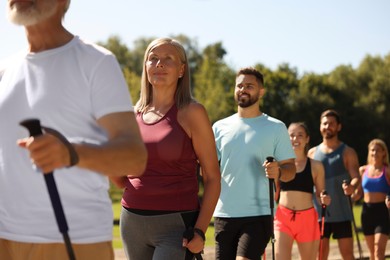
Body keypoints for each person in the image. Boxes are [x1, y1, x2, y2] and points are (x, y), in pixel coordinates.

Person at [0, 1, 147, 260]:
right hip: (5, 239)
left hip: (74, 241)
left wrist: (71, 152)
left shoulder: (96, 61)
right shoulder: (5, 71)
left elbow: (135, 157)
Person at [110, 37, 221, 260]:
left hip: (176, 227)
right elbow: (120, 177)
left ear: (181, 70)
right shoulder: (131, 115)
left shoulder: (192, 113)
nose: (159, 64)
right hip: (132, 223)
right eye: (153, 59)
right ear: (146, 68)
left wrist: (199, 230)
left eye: (168, 59)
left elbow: (212, 177)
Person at [212, 67, 296, 260]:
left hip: (258, 214)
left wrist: (279, 171)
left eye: (249, 86)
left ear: (261, 92)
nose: (243, 89)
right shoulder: (219, 127)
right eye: (239, 85)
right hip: (224, 213)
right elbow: (208, 171)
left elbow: (290, 169)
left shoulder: (276, 127)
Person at [308, 109, 360, 260]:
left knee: (348, 255)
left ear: (338, 127)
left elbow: (356, 177)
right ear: (320, 127)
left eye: (331, 124)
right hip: (319, 214)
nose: (327, 126)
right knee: (320, 255)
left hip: (342, 213)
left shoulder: (347, 152)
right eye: (324, 123)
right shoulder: (311, 153)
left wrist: (352, 186)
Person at [274, 122, 331, 260]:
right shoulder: (279, 164)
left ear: (307, 139)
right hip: (283, 218)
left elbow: (320, 194)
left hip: (307, 220)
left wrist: (325, 199)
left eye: (300, 135)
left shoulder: (316, 166)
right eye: (291, 135)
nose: (295, 139)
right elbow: (275, 194)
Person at [355, 139, 390, 260]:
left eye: (378, 150)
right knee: (371, 253)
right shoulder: (363, 170)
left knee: (378, 251)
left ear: (384, 153)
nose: (375, 153)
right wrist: (351, 195)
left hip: (382, 212)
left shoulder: (387, 171)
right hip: (366, 212)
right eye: (372, 150)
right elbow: (359, 192)